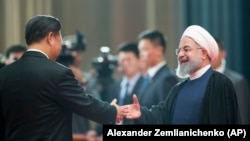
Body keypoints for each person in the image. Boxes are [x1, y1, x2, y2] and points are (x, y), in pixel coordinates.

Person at [0, 15, 124, 141]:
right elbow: (85, 104)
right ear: (51, 38)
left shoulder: (4, 74)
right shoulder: (59, 73)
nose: (60, 45)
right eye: (59, 38)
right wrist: (113, 111)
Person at [124, 25, 240, 124]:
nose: (180, 55)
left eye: (186, 49)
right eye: (179, 50)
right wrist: (141, 113)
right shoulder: (179, 88)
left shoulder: (220, 84)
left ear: (204, 53)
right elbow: (161, 115)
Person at [137, 29, 178, 108]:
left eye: (145, 49)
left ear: (159, 50)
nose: (141, 54)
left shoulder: (167, 79)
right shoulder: (145, 78)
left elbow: (166, 113)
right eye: (140, 50)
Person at [212, 38, 250, 124]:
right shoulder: (198, 81)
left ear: (223, 54)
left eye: (215, 51)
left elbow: (242, 116)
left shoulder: (237, 82)